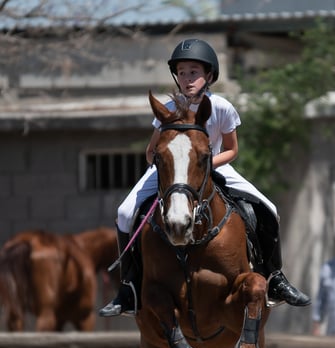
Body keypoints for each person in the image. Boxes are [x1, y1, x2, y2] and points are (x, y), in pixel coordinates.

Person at [99, 38, 311, 317]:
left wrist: (204, 165)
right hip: (171, 171)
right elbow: (151, 152)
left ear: (209, 75)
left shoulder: (221, 107)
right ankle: (128, 289)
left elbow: (232, 150)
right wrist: (170, 169)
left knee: (269, 210)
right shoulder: (168, 109)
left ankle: (276, 279)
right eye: (183, 73)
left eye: (194, 72)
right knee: (125, 213)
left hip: (215, 165)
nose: (187, 79)